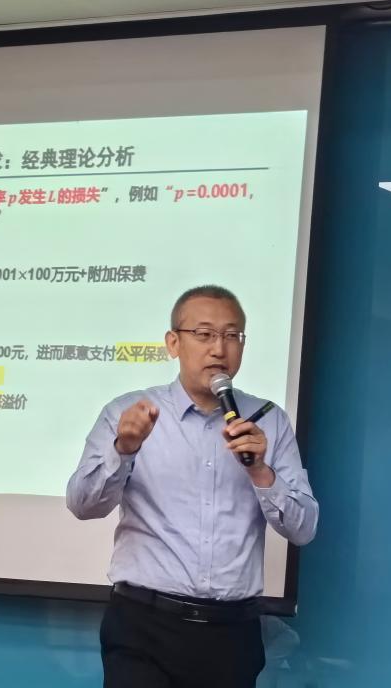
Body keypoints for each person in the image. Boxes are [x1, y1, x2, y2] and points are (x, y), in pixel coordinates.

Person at [66, 284, 319, 688]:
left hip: (231, 634)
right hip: (143, 626)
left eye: (231, 335)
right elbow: (82, 504)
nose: (219, 348)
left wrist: (261, 472)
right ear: (173, 343)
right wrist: (123, 449)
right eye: (203, 334)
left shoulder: (268, 421)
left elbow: (303, 528)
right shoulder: (128, 413)